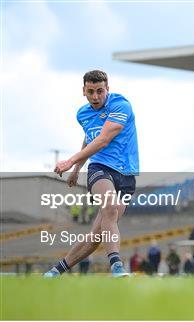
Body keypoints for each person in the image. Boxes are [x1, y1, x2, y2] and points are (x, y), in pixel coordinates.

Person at [44, 70, 139, 278]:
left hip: (126, 174)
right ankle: (116, 264)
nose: (95, 97)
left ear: (108, 89)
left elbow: (103, 139)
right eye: (91, 92)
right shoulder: (82, 114)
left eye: (100, 91)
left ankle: (55, 271)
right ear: (83, 91)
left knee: (97, 234)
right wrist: (78, 169)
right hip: (100, 169)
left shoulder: (121, 106)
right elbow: (90, 138)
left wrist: (71, 161)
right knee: (110, 208)